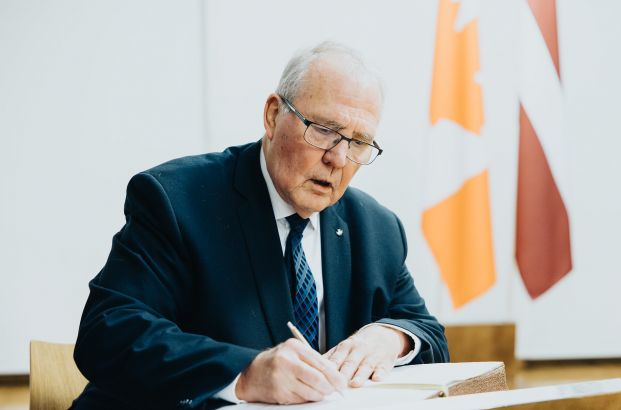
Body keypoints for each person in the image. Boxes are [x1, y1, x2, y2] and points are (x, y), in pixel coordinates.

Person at [72, 42, 449, 409]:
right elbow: (109, 332)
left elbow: (429, 334)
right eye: (323, 129)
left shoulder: (376, 228)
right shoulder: (177, 199)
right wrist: (245, 373)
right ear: (272, 115)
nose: (338, 158)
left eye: (359, 142)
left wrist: (392, 338)